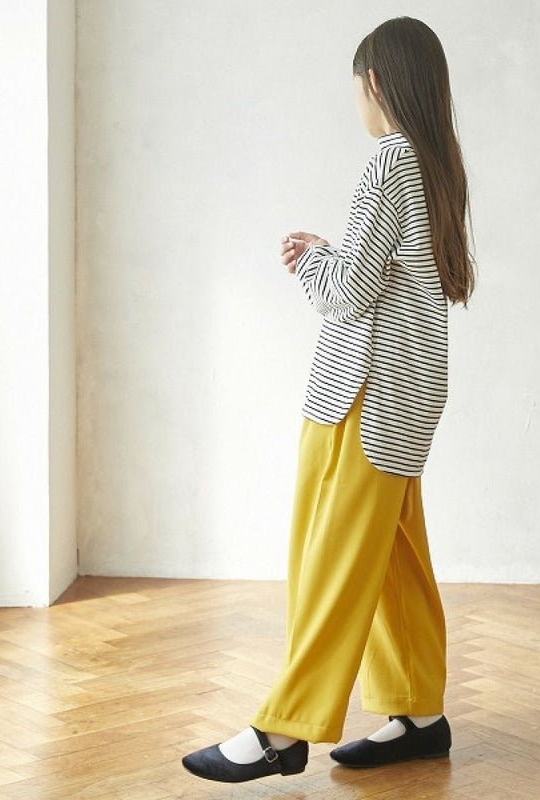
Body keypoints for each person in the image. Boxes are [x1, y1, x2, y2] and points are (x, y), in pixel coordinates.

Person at [182, 16, 475, 785]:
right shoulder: (436, 163)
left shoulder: (388, 160)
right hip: (410, 391)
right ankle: (419, 713)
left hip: (365, 393)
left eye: (356, 90)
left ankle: (283, 730)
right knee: (394, 556)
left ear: (374, 82)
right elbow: (391, 276)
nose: (358, 105)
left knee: (331, 562)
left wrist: (313, 264)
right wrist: (331, 252)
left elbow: (348, 293)